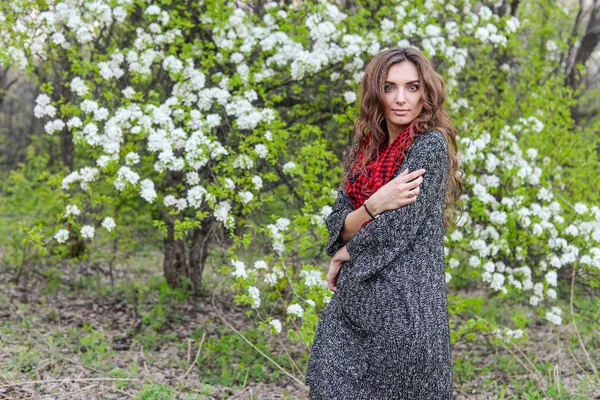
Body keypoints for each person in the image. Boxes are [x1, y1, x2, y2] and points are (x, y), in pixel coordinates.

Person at [304, 46, 463, 399]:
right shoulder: (368, 150)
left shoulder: (429, 146)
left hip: (405, 308)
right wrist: (373, 206)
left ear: (426, 92)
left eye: (412, 87)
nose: (401, 99)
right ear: (376, 92)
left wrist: (345, 252)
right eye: (390, 88)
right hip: (356, 304)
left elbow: (397, 228)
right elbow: (337, 222)